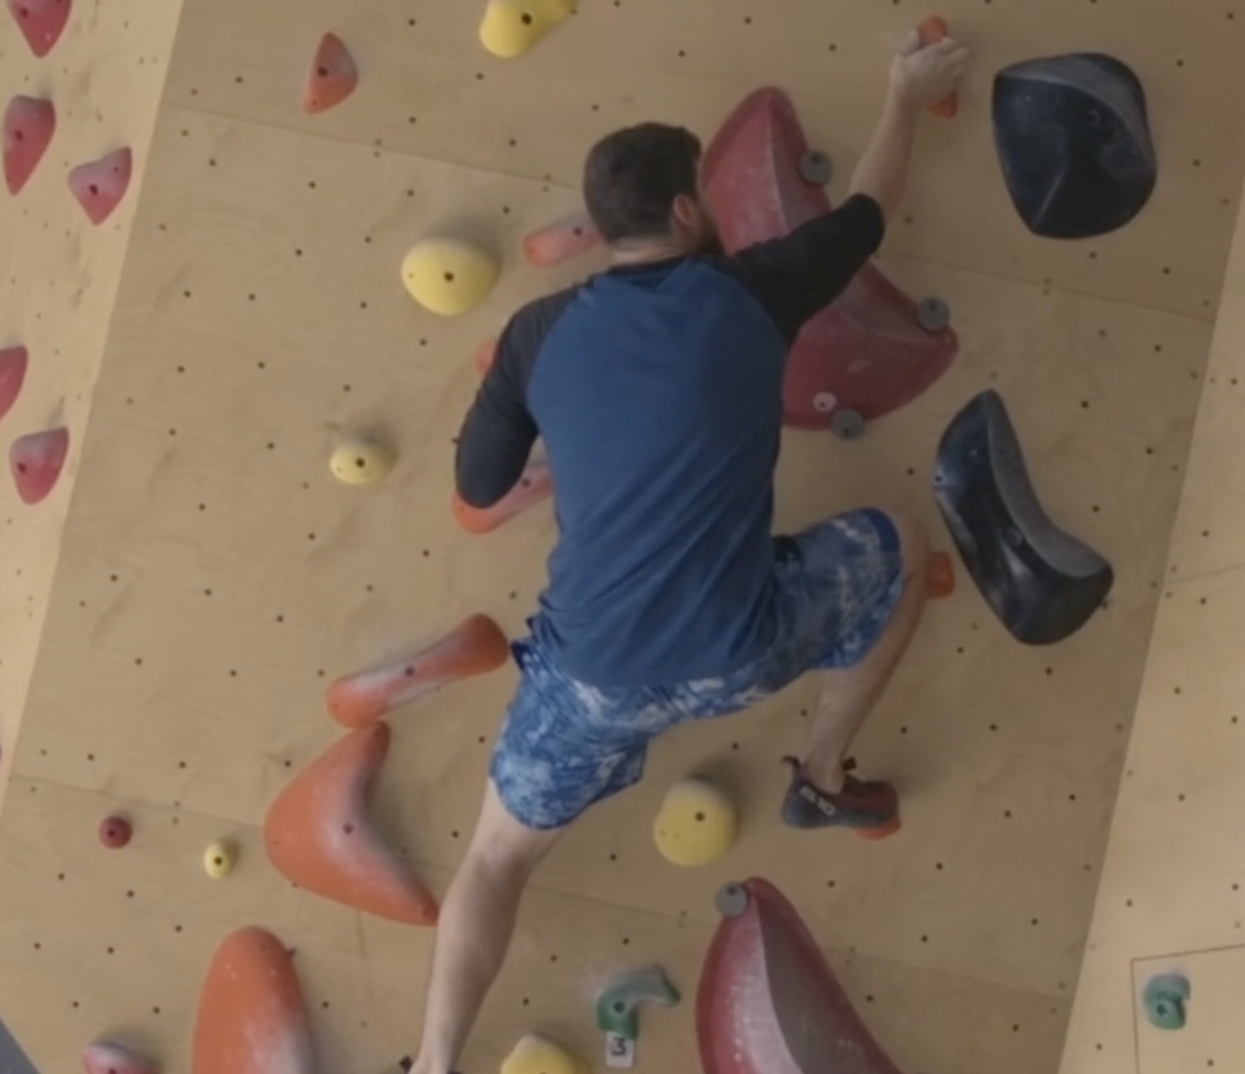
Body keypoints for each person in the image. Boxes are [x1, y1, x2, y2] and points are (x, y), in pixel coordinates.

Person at [409, 29, 973, 1074]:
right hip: (738, 644)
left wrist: (574, 458)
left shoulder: (538, 334)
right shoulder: (749, 290)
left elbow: (480, 486)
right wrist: (902, 93)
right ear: (683, 213)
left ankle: (436, 1067)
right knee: (894, 544)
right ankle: (816, 774)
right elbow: (865, 212)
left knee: (491, 862)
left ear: (601, 229)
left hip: (587, 681)